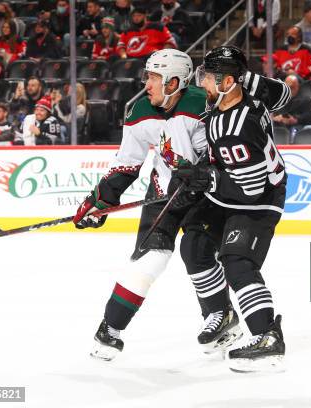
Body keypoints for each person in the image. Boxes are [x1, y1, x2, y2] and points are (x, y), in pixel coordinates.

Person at [74, 48, 290, 363]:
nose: (146, 84)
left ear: (174, 82)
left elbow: (225, 159)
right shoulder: (138, 112)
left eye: (153, 78)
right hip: (164, 189)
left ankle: (221, 315)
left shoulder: (204, 105)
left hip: (206, 193)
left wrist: (202, 178)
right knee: (150, 259)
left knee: (198, 249)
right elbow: (127, 163)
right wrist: (99, 200)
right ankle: (111, 329)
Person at [174, 45, 287, 372]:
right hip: (229, 191)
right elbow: (283, 94)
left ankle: (267, 337)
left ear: (226, 82)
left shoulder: (235, 128)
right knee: (194, 244)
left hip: (258, 198)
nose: (202, 84)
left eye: (208, 78)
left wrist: (205, 178)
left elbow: (249, 190)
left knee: (237, 260)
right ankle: (220, 315)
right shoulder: (241, 94)